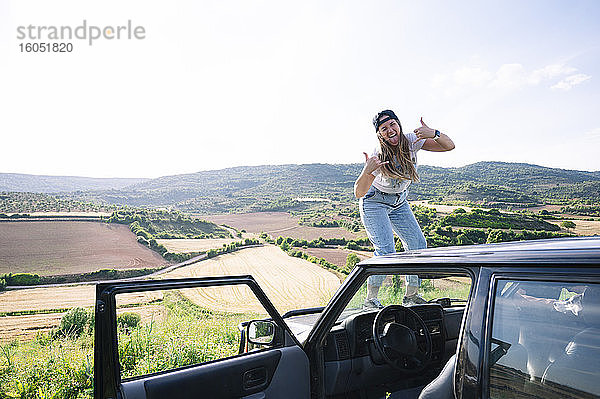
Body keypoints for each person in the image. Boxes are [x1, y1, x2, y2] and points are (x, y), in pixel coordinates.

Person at [354, 109, 455, 307]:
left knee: (417, 243)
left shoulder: (411, 141)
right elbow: (359, 192)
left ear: (398, 125)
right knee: (386, 251)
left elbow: (449, 146)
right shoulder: (378, 155)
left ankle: (411, 296)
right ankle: (370, 300)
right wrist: (366, 171)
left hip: (399, 201)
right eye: (384, 128)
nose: (390, 130)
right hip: (375, 201)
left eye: (392, 124)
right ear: (379, 134)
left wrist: (433, 133)